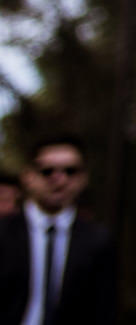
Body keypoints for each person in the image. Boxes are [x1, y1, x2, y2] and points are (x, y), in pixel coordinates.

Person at [0, 135, 117, 325]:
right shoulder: (4, 233)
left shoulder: (98, 241)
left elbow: (103, 309)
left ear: (83, 178)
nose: (60, 179)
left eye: (70, 171)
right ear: (28, 176)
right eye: (48, 171)